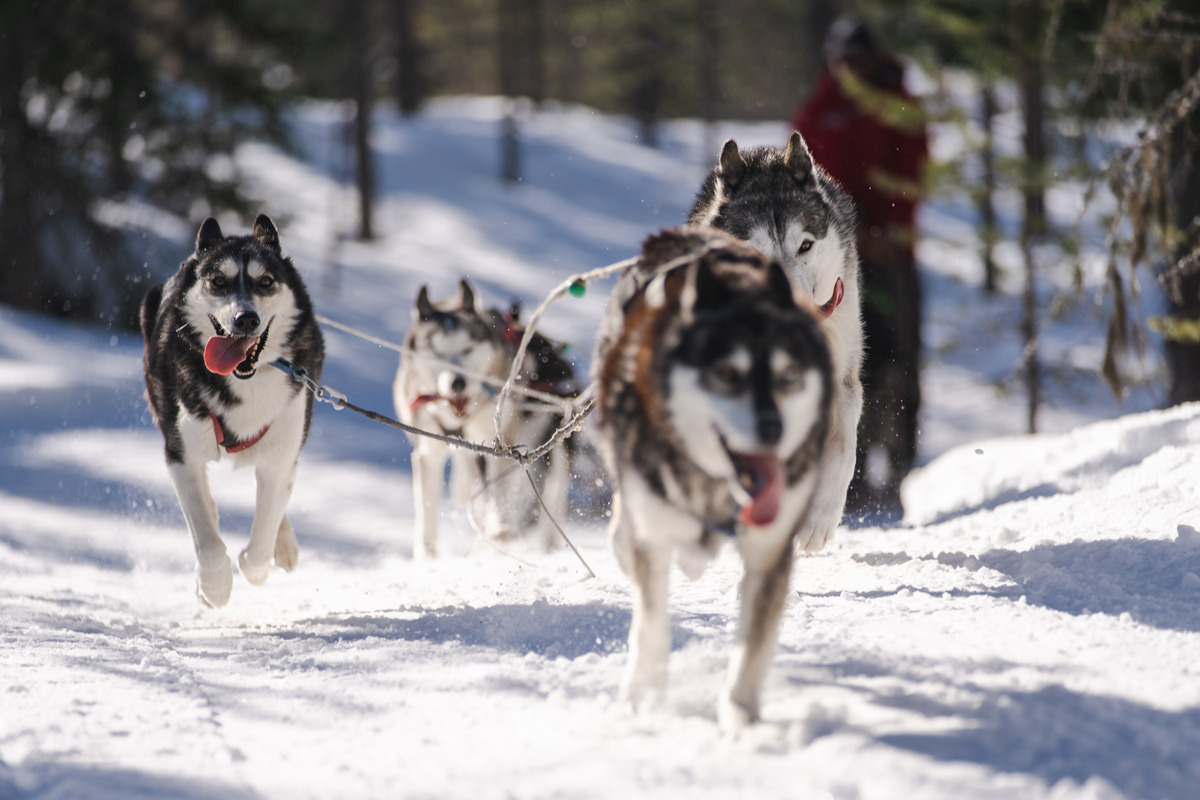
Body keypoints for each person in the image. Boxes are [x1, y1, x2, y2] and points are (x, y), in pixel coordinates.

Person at [791, 17, 928, 517]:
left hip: (888, 256)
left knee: (898, 358)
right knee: (841, 359)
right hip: (833, 258)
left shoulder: (898, 104)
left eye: (857, 58)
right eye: (841, 59)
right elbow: (800, 181)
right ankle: (845, 472)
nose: (849, 68)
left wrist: (884, 227)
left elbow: (911, 174)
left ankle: (901, 467)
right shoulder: (816, 110)